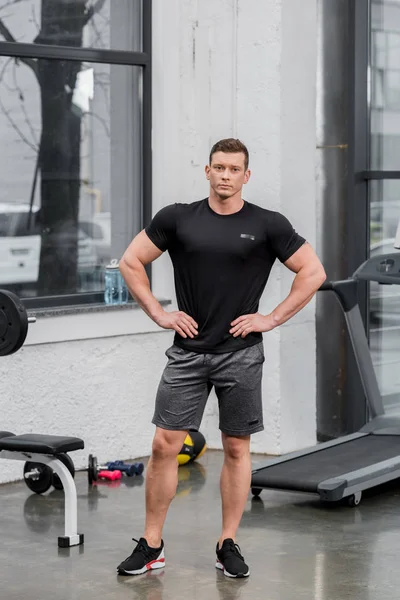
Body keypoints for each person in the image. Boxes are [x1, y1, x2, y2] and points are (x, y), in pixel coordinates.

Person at [117, 138, 326, 578]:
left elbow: (313, 271)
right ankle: (152, 544)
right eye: (219, 167)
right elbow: (131, 261)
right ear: (207, 171)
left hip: (241, 355)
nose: (226, 175)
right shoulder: (178, 218)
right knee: (162, 446)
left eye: (234, 169)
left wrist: (271, 318)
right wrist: (158, 312)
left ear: (246, 175)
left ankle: (227, 542)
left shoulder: (268, 224)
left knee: (236, 447)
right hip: (188, 354)